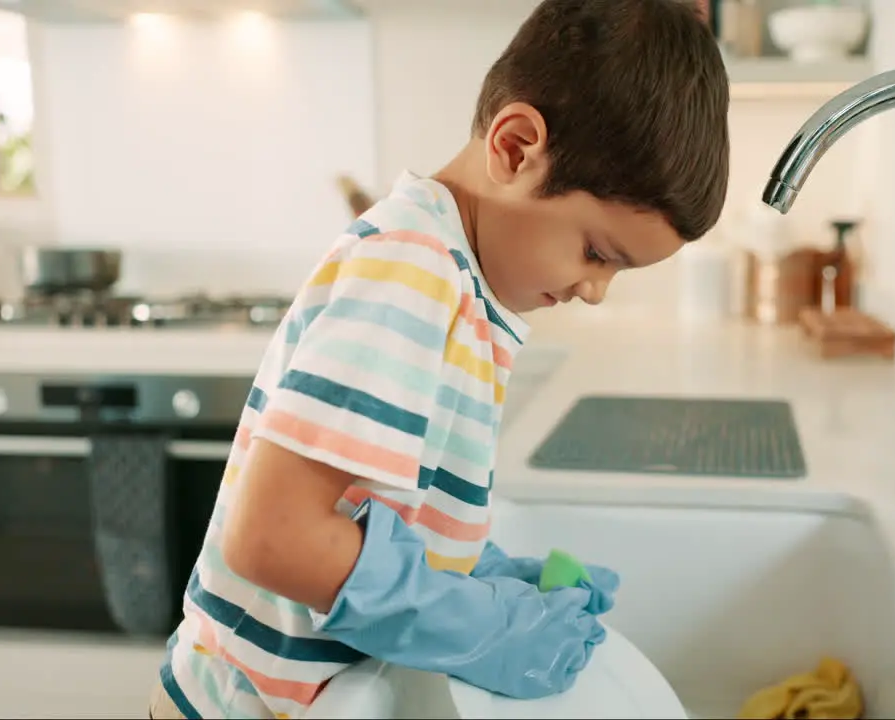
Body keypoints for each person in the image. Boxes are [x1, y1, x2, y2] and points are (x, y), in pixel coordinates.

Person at [149, 0, 729, 717]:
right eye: (596, 253)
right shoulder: (412, 272)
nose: (595, 291)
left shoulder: (452, 281)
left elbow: (374, 511)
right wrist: (480, 626)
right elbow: (273, 539)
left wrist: (474, 577)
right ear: (515, 147)